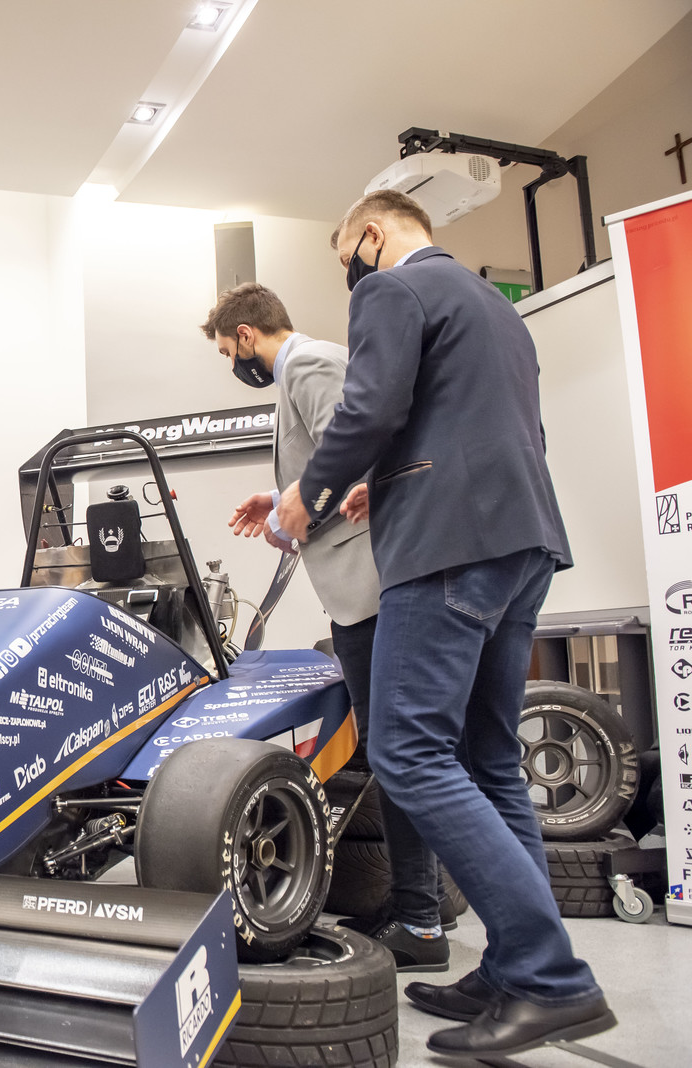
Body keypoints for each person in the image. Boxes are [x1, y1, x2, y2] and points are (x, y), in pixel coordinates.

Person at [276, 189, 610, 1057]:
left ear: (372, 234)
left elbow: (370, 408)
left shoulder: (392, 288)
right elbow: (473, 424)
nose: (350, 273)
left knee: (408, 752)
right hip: (521, 539)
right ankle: (511, 965)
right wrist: (376, 484)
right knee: (490, 759)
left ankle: (550, 976)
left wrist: (311, 492)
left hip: (448, 547)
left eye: (346, 256)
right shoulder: (494, 308)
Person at [203, 283, 446, 972]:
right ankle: (419, 902)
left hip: (373, 584)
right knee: (397, 749)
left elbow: (360, 459)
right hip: (360, 588)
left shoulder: (309, 364)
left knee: (400, 751)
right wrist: (279, 498)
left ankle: (422, 918)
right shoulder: (300, 375)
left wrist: (294, 514)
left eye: (227, 352)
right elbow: (327, 462)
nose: (231, 364)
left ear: (246, 335)